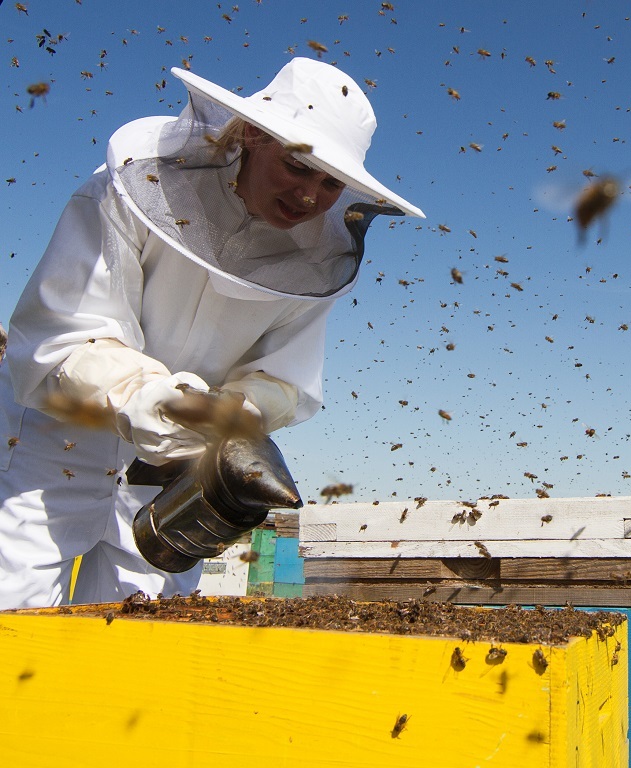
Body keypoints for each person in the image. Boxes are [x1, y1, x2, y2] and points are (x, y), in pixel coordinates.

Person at [0, 58, 423, 610]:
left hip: (173, 478)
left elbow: (284, 379)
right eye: (299, 167)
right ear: (252, 134)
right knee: (15, 615)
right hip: (56, 444)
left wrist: (238, 412)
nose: (311, 197)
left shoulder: (318, 262)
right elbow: (69, 336)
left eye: (330, 182)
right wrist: (165, 405)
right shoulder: (127, 191)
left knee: (141, 635)